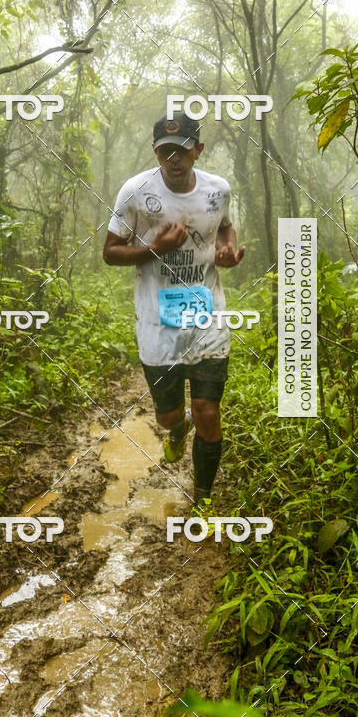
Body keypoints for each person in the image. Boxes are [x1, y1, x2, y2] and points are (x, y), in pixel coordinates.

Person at [102, 110, 245, 526]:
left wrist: (227, 251)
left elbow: (225, 229)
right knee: (170, 416)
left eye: (182, 150)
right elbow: (111, 252)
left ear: (198, 150)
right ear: (155, 152)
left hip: (207, 318)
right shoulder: (135, 192)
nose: (174, 159)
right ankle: (176, 428)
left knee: (207, 409)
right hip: (157, 323)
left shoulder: (218, 190)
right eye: (165, 151)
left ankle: (202, 498)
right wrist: (154, 250)